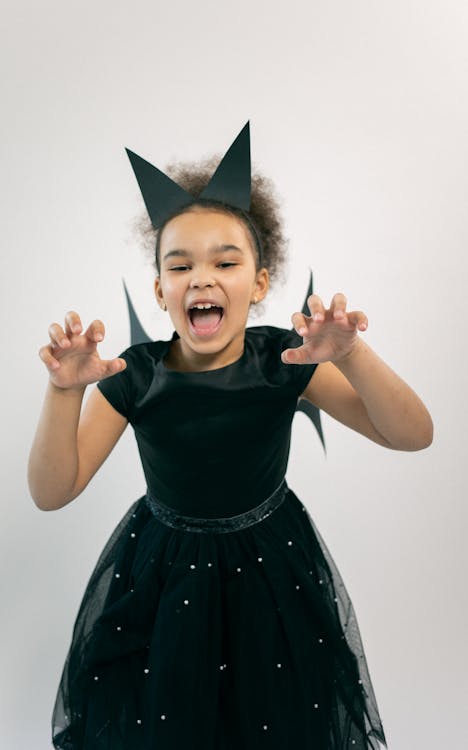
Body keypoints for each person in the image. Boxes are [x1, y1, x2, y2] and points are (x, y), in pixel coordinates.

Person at [28, 123, 433, 750]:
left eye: (226, 261)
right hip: (163, 576)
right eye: (180, 264)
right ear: (161, 290)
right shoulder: (136, 377)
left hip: (271, 570)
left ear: (261, 284)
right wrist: (64, 392)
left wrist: (351, 354)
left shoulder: (285, 362)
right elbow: (52, 492)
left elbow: (413, 435)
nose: (202, 277)